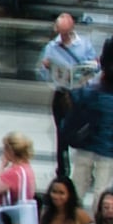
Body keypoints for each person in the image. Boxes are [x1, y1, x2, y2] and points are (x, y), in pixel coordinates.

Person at [40, 13, 98, 178]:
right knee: (61, 134)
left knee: (84, 133)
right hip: (62, 94)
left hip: (81, 93)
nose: (64, 36)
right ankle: (63, 170)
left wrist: (89, 69)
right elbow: (44, 75)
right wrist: (46, 68)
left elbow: (95, 67)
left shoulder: (84, 44)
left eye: (67, 32)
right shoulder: (51, 47)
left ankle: (87, 169)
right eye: (61, 32)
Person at [63, 68, 113, 206]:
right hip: (108, 148)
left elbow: (69, 97)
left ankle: (75, 216)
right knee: (102, 190)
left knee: (78, 186)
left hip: (86, 145)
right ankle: (99, 220)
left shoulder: (88, 93)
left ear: (103, 77)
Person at [0, 132, 37, 208]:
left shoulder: (14, 173)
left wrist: (2, 166)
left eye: (4, 149)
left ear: (11, 151)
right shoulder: (27, 168)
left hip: (9, 216)